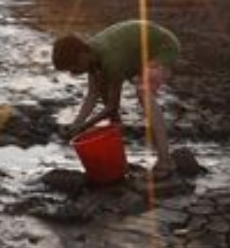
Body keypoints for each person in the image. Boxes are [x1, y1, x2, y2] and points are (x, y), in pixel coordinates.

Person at [52, 19, 180, 178]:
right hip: (138, 52)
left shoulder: (111, 60)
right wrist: (76, 124)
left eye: (74, 67)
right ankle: (118, 159)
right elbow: (92, 95)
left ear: (82, 54)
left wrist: (84, 126)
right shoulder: (93, 56)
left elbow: (113, 107)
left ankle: (165, 161)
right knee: (115, 110)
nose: (74, 72)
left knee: (143, 94)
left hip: (163, 48)